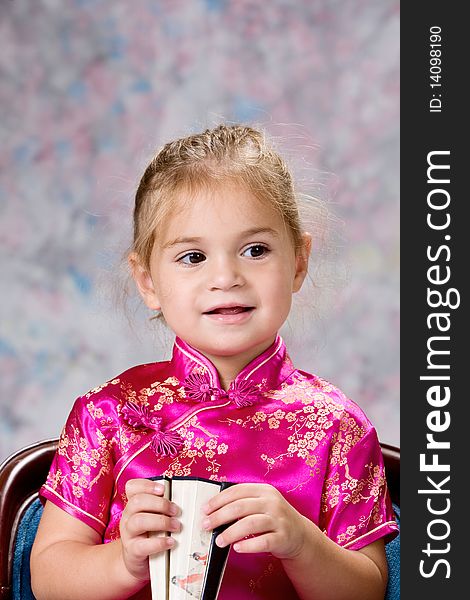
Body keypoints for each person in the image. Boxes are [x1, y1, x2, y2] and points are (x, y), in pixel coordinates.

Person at [31, 124, 398, 600]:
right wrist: (124, 560)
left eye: (255, 250)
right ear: (147, 280)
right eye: (193, 256)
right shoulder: (107, 414)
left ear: (299, 263)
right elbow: (47, 578)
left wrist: (301, 544)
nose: (226, 277)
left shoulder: (338, 427)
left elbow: (368, 591)